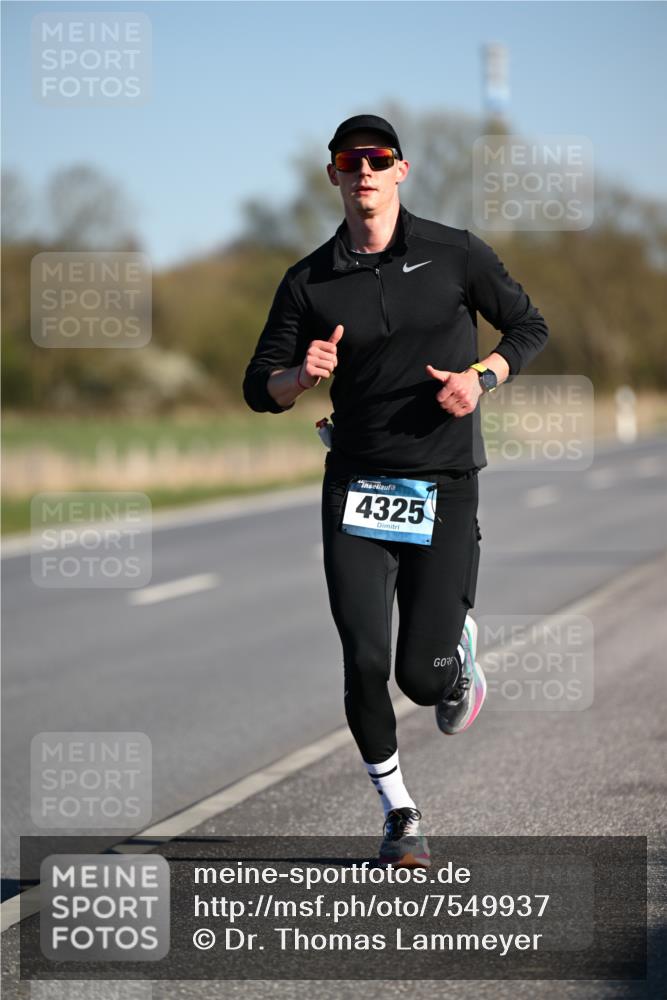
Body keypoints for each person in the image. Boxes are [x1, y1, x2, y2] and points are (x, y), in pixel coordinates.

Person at [243, 114, 549, 867]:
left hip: (444, 482)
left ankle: (456, 655)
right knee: (362, 659)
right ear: (333, 175)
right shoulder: (308, 280)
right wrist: (298, 377)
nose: (364, 172)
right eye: (350, 162)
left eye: (378, 159)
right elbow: (259, 387)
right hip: (356, 484)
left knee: (420, 678)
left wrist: (481, 379)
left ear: (401, 171)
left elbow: (528, 326)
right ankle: (399, 814)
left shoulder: (455, 253)